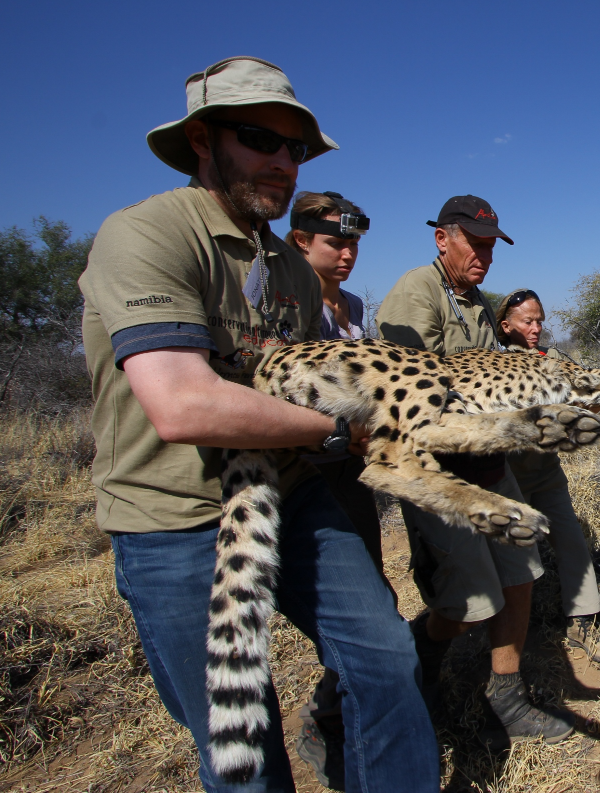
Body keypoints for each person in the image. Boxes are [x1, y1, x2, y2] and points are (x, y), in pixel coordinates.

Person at [78, 56, 439, 791]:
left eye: (296, 149)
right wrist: (340, 432)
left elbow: (324, 383)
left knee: (385, 659)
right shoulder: (146, 234)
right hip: (174, 516)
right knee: (239, 735)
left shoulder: (291, 267)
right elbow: (182, 403)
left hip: (291, 492)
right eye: (260, 139)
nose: (283, 163)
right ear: (203, 141)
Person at [376, 197, 573, 745]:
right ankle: (419, 667)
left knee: (519, 577)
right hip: (440, 472)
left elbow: (492, 378)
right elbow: (418, 387)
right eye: (475, 243)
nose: (485, 254)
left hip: (490, 463)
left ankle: (505, 694)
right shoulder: (417, 292)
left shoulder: (479, 302)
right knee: (467, 602)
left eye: (491, 245)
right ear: (443, 239)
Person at [283, 190, 388, 789]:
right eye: (334, 241)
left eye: (353, 243)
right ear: (300, 241)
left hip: (352, 468)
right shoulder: (287, 303)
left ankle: (341, 715)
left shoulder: (350, 306)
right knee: (350, 616)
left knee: (370, 585)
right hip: (307, 468)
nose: (347, 253)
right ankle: (331, 723)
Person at [495, 289, 600, 664]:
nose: (535, 328)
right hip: (507, 474)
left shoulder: (550, 361)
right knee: (511, 554)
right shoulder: (492, 366)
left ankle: (582, 620)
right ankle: (509, 636)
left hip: (545, 472)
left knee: (570, 540)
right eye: (526, 321)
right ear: (506, 326)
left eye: (539, 320)